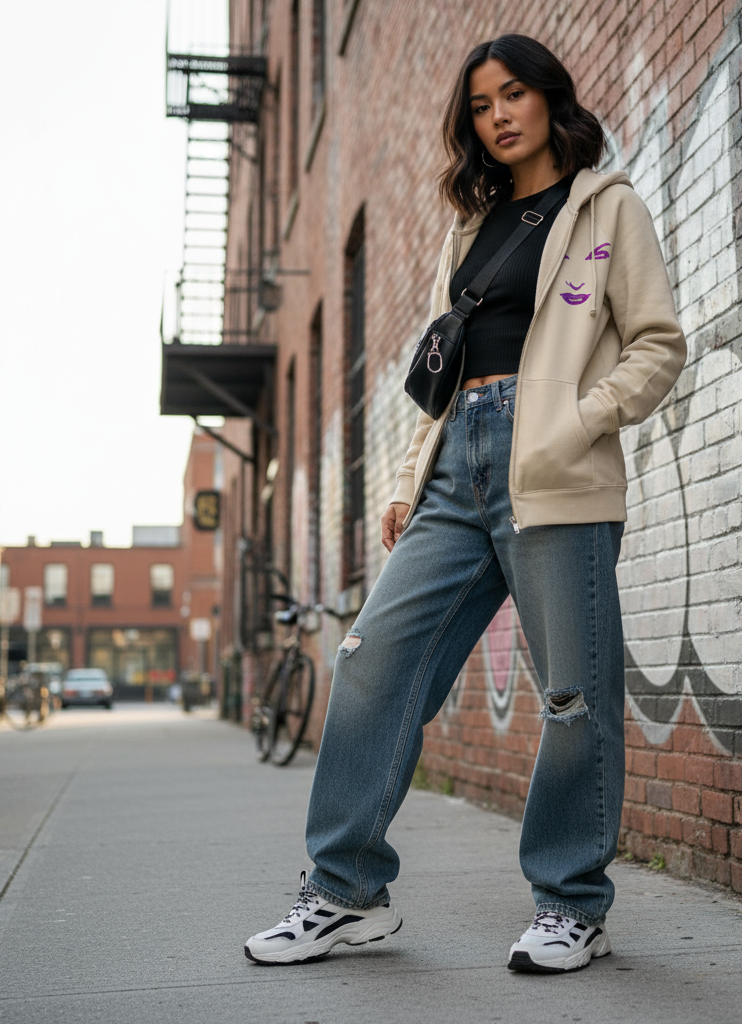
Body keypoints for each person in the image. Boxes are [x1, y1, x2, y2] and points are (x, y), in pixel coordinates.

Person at [245, 33, 686, 974]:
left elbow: (657, 343)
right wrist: (411, 482)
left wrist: (575, 419)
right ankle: (344, 894)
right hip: (457, 470)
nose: (498, 116)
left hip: (555, 472)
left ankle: (572, 906)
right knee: (369, 663)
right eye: (481, 105)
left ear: (550, 100)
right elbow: (446, 374)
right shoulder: (471, 229)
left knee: (572, 695)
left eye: (513, 95)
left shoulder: (607, 208)